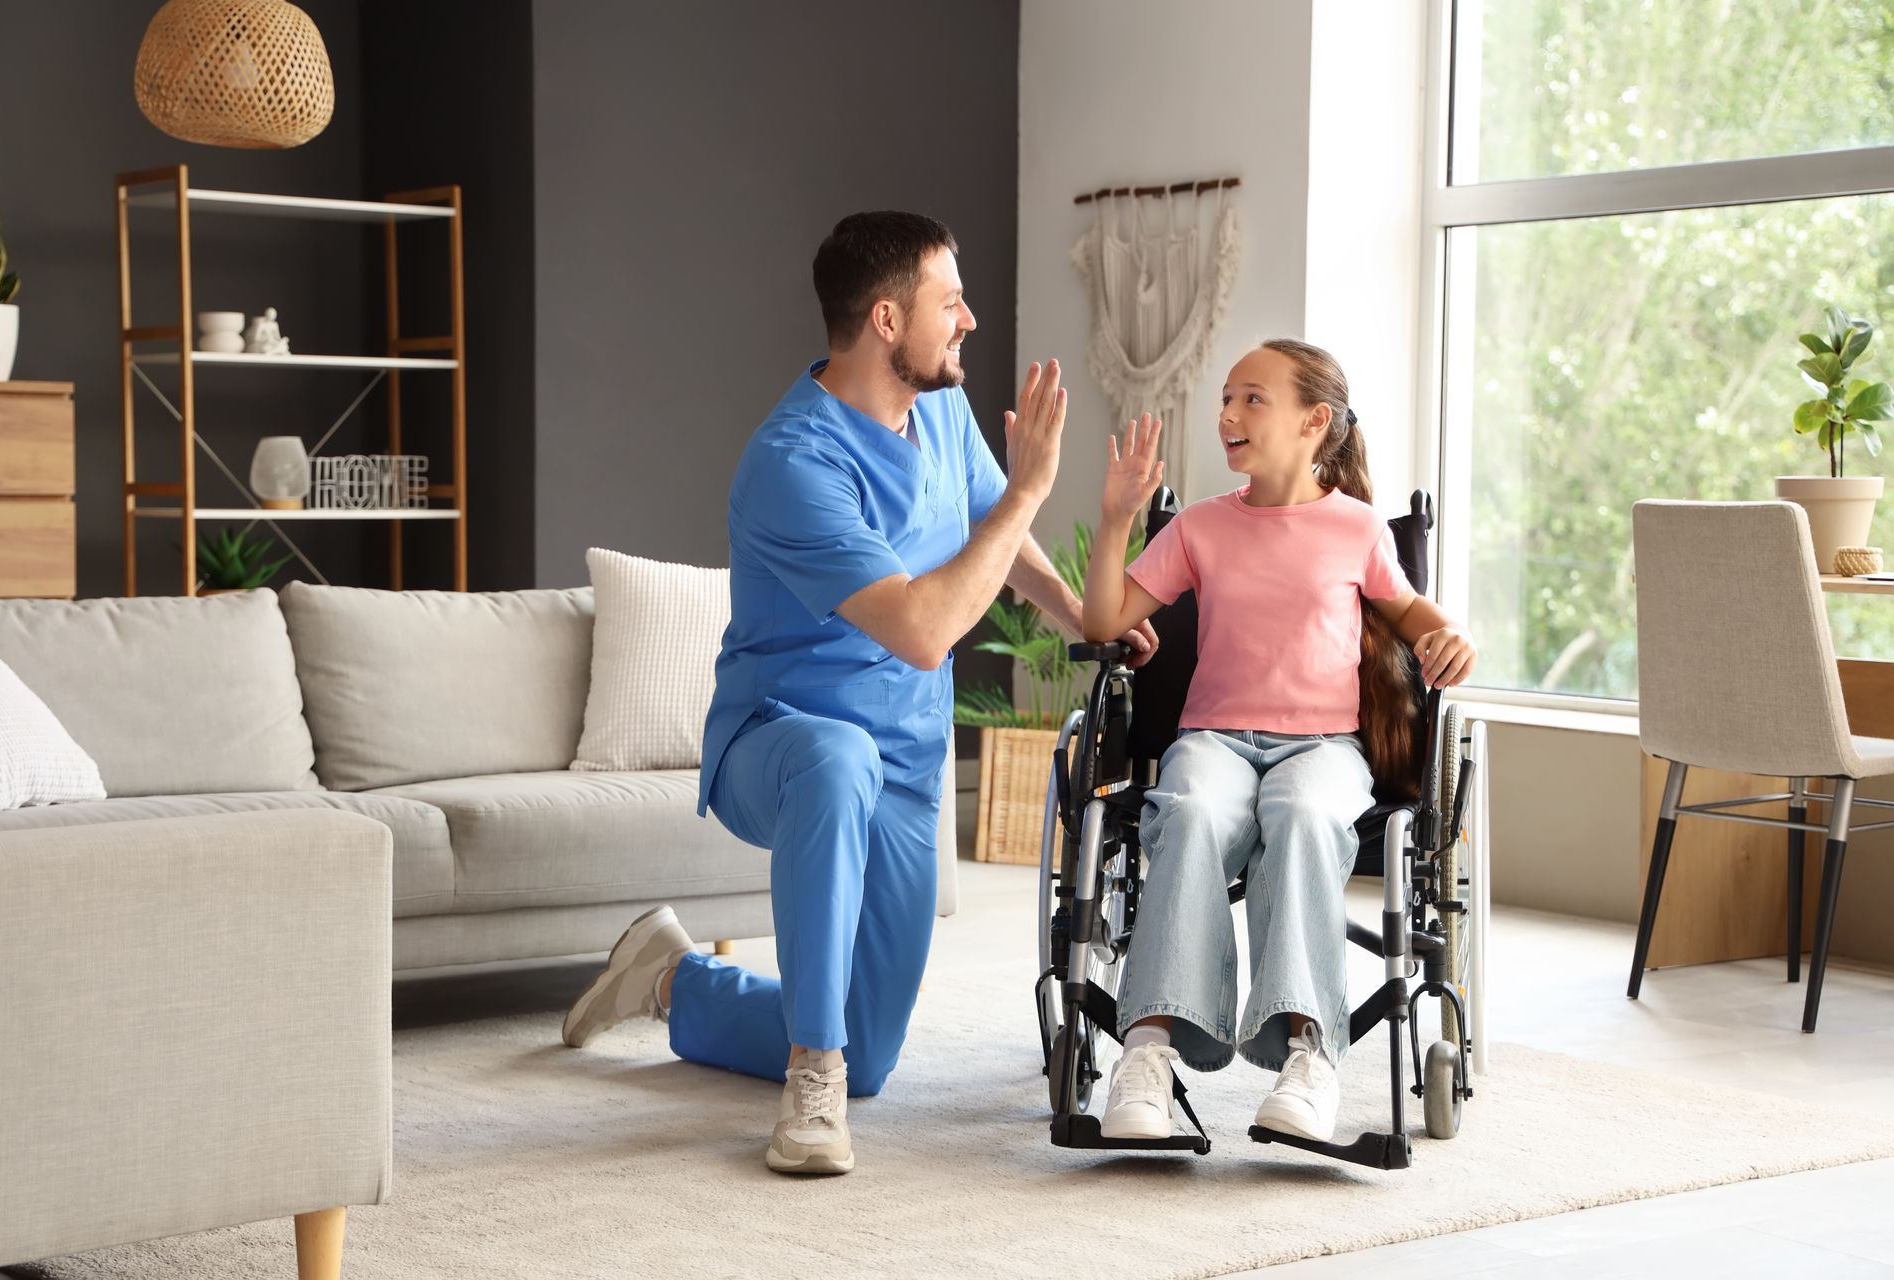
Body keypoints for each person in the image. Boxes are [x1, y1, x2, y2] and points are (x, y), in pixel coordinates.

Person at [558, 211, 1156, 1175]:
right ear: (886, 319)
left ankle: (671, 980)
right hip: (779, 745)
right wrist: (1028, 494)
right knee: (835, 759)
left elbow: (1001, 546)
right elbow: (922, 631)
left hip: (908, 769)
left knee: (872, 1054)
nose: (968, 320)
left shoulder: (945, 414)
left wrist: (1084, 617)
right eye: (949, 301)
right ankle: (809, 1080)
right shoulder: (793, 463)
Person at [1079, 338, 1477, 1144]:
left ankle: (1309, 1058)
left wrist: (1449, 637)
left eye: (1251, 399)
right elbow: (1104, 621)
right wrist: (1119, 512)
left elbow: (1411, 615)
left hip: (1323, 748)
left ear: (1313, 421)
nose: (1227, 415)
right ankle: (1149, 1053)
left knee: (1301, 818)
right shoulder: (1199, 527)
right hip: (1215, 742)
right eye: (1226, 398)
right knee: (1187, 812)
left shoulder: (1359, 529)